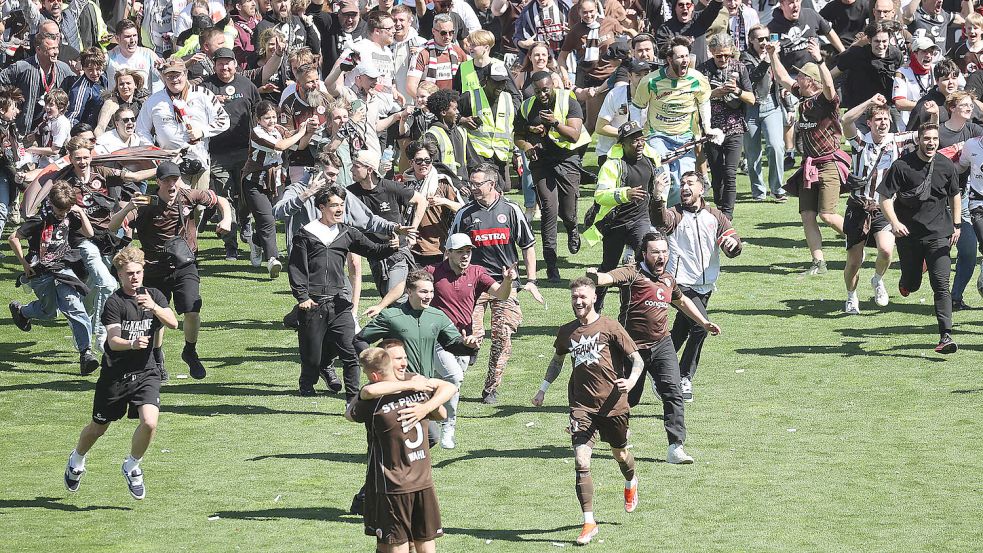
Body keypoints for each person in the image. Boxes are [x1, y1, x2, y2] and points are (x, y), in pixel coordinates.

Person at [588, 231, 723, 462]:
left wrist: (703, 321)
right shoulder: (632, 273)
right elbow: (607, 279)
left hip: (662, 344)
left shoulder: (668, 279)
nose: (661, 256)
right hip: (631, 349)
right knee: (629, 398)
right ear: (644, 254)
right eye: (655, 252)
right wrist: (594, 277)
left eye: (664, 252)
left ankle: (675, 447)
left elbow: (680, 300)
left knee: (673, 392)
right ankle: (604, 428)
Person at [531, 276, 644, 546]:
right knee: (581, 461)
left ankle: (631, 481)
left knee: (620, 453)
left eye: (583, 297)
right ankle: (589, 522)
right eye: (574, 297)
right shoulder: (567, 332)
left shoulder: (610, 326)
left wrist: (630, 381)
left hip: (614, 405)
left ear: (594, 298)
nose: (578, 302)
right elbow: (557, 360)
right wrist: (543, 389)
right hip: (581, 407)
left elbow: (636, 360)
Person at [62, 246, 179, 500]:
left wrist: (154, 307)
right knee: (98, 428)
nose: (134, 277)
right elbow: (113, 341)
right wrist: (132, 343)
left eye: (138, 272)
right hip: (115, 376)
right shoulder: (114, 303)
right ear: (119, 275)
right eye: (129, 273)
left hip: (146, 371)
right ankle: (77, 459)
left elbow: (173, 322)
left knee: (149, 422)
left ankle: (132, 466)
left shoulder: (154, 295)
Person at [108, 161, 233, 379]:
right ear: (158, 182)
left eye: (174, 179)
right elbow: (113, 226)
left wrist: (227, 219)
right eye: (166, 180)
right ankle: (156, 356)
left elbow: (220, 200)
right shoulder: (146, 203)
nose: (171, 184)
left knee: (192, 309)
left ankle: (190, 351)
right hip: (155, 269)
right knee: (156, 317)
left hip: (185, 264)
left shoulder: (189, 196)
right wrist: (128, 207)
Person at [286, 185, 400, 399]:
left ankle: (353, 397)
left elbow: (372, 251)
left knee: (350, 353)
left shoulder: (347, 232)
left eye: (341, 205)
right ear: (322, 207)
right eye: (334, 205)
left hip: (339, 303)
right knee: (311, 355)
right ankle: (307, 382)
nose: (339, 209)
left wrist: (391, 246)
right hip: (314, 303)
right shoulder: (306, 234)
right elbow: (296, 268)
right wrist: (302, 297)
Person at [346, 346, 454, 552]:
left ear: (374, 374)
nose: (403, 362)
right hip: (423, 480)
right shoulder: (419, 388)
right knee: (425, 541)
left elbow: (351, 413)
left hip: (392, 485)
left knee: (394, 544)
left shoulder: (374, 402)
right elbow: (442, 411)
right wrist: (423, 404)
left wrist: (361, 393)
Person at [449, 163, 540, 405]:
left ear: (492, 184)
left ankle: (491, 388)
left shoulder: (510, 210)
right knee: (470, 334)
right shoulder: (464, 214)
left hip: (505, 285)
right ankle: (462, 365)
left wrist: (531, 280)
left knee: (502, 336)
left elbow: (528, 246)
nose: (473, 188)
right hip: (473, 285)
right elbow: (450, 250)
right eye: (472, 183)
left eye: (478, 184)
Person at [651, 171, 743, 402]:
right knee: (701, 326)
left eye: (690, 183)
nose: (684, 187)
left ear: (702, 189)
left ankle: (655, 367)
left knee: (681, 331)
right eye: (682, 184)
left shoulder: (715, 216)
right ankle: (683, 377)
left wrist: (733, 246)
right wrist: (658, 196)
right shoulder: (675, 215)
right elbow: (659, 220)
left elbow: (731, 242)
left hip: (706, 285)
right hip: (679, 284)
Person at [424, 233, 515, 448]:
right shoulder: (432, 272)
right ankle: (449, 427)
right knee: (454, 379)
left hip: (464, 341)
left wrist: (508, 281)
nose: (465, 256)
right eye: (460, 252)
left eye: (468, 251)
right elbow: (413, 288)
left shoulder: (477, 272)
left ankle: (427, 424)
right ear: (448, 253)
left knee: (442, 385)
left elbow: (501, 295)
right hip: (437, 338)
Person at [767, 37, 848, 276]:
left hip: (829, 164)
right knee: (807, 215)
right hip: (809, 166)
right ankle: (818, 263)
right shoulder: (802, 98)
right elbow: (782, 78)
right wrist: (773, 55)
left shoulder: (826, 101)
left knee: (828, 215)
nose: (797, 78)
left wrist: (821, 61)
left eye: (801, 75)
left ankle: (862, 238)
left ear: (811, 81)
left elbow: (830, 88)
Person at [878, 123, 961, 354]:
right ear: (918, 140)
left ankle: (946, 336)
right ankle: (907, 281)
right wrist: (895, 223)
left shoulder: (946, 165)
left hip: (939, 235)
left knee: (941, 285)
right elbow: (884, 196)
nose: (931, 142)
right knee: (912, 283)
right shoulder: (902, 166)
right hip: (909, 236)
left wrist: (956, 225)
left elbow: (955, 194)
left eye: (935, 138)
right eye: (927, 139)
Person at [8, 180, 98, 375]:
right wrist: (24, 263)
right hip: (39, 271)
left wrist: (80, 212)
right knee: (49, 312)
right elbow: (13, 237)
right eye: (59, 211)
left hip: (63, 269)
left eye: (65, 211)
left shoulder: (69, 215)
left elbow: (89, 233)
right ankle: (22, 311)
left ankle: (86, 353)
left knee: (75, 307)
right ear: (50, 202)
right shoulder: (39, 219)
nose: (61, 215)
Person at [841, 95, 916, 314]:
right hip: (859, 206)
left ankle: (877, 279)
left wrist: (933, 113)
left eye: (885, 119)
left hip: (884, 206)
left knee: (886, 251)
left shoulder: (897, 140)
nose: (882, 123)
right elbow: (845, 120)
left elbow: (926, 135)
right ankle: (851, 296)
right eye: (877, 119)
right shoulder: (860, 142)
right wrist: (869, 102)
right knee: (854, 261)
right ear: (869, 122)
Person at [514, 71, 590, 281]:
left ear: (553, 86)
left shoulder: (568, 100)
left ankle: (572, 227)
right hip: (541, 162)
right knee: (549, 208)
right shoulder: (527, 105)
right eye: (537, 91)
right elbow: (517, 136)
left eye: (545, 90)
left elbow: (574, 135)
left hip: (567, 158)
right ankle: (551, 264)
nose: (541, 95)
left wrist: (555, 123)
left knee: (567, 211)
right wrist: (527, 146)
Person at [584, 120, 663, 311]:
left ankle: (644, 305)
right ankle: (596, 307)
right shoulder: (612, 166)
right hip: (616, 224)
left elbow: (657, 186)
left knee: (646, 261)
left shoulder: (650, 161)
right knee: (608, 267)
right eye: (634, 140)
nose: (639, 144)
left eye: (641, 139)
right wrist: (624, 194)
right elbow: (600, 196)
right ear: (622, 144)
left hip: (640, 221)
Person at [632, 36, 719, 207]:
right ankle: (658, 218)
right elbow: (637, 106)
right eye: (680, 57)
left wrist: (707, 127)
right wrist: (637, 134)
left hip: (685, 138)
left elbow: (703, 102)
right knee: (663, 181)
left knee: (681, 183)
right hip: (658, 137)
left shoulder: (697, 79)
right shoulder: (650, 81)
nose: (685, 60)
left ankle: (670, 218)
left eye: (687, 56)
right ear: (669, 59)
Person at [242, 100, 315, 277]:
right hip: (254, 182)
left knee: (275, 216)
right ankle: (273, 259)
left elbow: (299, 145)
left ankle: (257, 242)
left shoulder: (280, 130)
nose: (272, 121)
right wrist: (301, 131)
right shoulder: (257, 133)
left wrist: (308, 132)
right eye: (267, 118)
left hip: (276, 181)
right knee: (267, 219)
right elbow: (280, 146)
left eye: (274, 117)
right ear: (258, 119)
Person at [202, 46, 262, 261]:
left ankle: (245, 222)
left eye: (228, 63)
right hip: (217, 153)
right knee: (224, 198)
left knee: (246, 195)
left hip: (244, 152)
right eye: (220, 63)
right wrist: (210, 103)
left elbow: (259, 112)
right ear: (214, 65)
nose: (225, 67)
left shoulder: (247, 85)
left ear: (235, 65)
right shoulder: (206, 87)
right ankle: (231, 246)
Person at [136, 58, 231, 192]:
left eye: (177, 75)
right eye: (169, 76)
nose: (174, 79)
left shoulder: (203, 94)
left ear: (185, 74)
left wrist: (203, 131)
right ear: (163, 77)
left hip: (200, 159)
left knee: (199, 207)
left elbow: (224, 120)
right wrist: (155, 154)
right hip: (170, 162)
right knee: (176, 206)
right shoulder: (154, 101)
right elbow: (141, 130)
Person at [699, 33, 754, 220]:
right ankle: (720, 208)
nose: (723, 59)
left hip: (735, 126)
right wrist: (717, 92)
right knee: (716, 172)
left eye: (727, 55)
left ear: (732, 52)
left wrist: (737, 91)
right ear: (711, 52)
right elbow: (697, 97)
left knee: (730, 172)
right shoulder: (703, 70)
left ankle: (727, 216)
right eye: (719, 55)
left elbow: (752, 98)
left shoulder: (740, 67)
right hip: (711, 128)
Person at [743, 24, 788, 202]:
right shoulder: (745, 57)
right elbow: (752, 77)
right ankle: (758, 191)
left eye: (767, 38)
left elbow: (781, 78)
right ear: (751, 40)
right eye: (760, 39)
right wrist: (768, 59)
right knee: (752, 152)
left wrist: (789, 107)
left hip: (772, 103)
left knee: (776, 146)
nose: (764, 42)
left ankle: (777, 188)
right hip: (750, 106)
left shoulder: (774, 54)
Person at [0, 32, 75, 134]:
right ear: (38, 50)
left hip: (49, 131)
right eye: (51, 49)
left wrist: (80, 74)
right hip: (22, 129)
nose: (56, 52)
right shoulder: (22, 67)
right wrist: (8, 103)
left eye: (56, 48)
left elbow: (75, 91)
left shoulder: (64, 69)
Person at [403, 140, 462, 266]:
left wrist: (443, 201)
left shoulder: (442, 183)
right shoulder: (404, 185)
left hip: (436, 248)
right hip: (411, 247)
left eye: (427, 160)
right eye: (419, 161)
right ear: (411, 162)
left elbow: (462, 209)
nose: (423, 164)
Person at [404, 13, 471, 98]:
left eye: (451, 32)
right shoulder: (422, 52)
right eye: (443, 33)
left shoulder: (458, 51)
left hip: (454, 103)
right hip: (431, 104)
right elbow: (411, 86)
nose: (448, 36)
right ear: (433, 31)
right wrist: (425, 102)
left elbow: (469, 79)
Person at [654, 0, 725, 66]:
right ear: (675, 8)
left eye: (688, 4)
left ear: (693, 7)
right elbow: (663, 52)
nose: (685, 8)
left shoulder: (700, 20)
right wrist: (682, 43)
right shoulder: (665, 29)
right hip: (677, 73)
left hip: (701, 72)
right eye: (681, 5)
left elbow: (714, 7)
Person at [95, 69, 147, 137]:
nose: (125, 87)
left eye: (128, 83)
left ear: (135, 85)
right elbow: (100, 128)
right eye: (121, 84)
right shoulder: (111, 103)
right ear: (117, 87)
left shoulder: (141, 103)